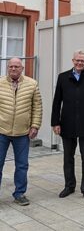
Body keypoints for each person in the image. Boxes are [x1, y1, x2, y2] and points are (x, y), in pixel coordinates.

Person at [51, 50, 84, 202]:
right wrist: (55, 122)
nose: (80, 63)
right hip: (67, 123)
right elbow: (57, 101)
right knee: (68, 157)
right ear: (72, 60)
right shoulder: (63, 77)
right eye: (77, 60)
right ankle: (69, 186)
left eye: (83, 61)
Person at [0, 58, 42, 206]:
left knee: (22, 165)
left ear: (22, 68)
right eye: (10, 66)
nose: (13, 69)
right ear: (7, 68)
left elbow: (37, 107)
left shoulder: (32, 84)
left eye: (16, 66)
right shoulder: (0, 83)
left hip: (22, 133)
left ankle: (19, 194)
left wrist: (35, 126)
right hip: (1, 132)